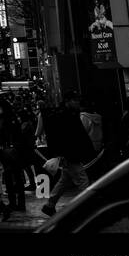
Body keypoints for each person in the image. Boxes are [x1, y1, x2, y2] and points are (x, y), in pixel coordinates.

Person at [41, 90, 93, 218]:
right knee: (82, 180)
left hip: (69, 153)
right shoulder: (65, 115)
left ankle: (50, 205)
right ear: (68, 101)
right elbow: (68, 136)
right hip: (70, 153)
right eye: (74, 100)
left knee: (64, 180)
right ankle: (85, 206)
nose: (77, 103)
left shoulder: (67, 113)